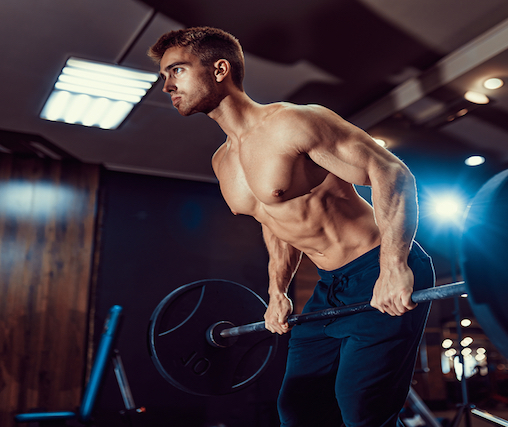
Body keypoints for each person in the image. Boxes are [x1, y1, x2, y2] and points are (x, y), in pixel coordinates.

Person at [148, 27, 435, 427]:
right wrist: (276, 291)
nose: (167, 86)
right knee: (299, 410)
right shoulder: (222, 162)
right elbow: (274, 220)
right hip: (327, 288)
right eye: (165, 76)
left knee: (361, 409)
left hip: (376, 265)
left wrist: (393, 266)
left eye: (176, 71)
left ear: (219, 69)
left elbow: (390, 171)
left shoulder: (293, 122)